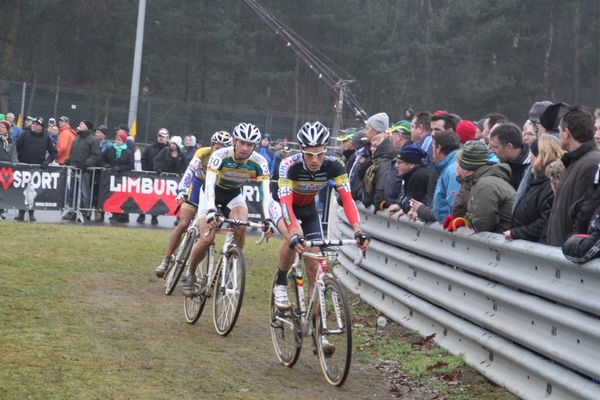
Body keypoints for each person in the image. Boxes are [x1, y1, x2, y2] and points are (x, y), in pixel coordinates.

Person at [269, 122, 370, 326]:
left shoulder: (336, 164)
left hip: (309, 210)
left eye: (320, 154)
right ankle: (280, 282)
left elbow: (348, 199)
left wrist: (358, 230)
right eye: (309, 155)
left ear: (326, 150)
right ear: (302, 151)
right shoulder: (289, 165)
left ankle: (316, 330)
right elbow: (286, 205)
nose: (315, 160)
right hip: (281, 206)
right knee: (293, 236)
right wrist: (294, 232)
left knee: (315, 268)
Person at [182, 123, 274, 296]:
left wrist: (267, 218)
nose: (245, 148)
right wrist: (210, 209)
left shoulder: (260, 162)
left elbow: (265, 192)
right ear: (234, 141)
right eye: (242, 143)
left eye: (250, 145)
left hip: (233, 195)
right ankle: (190, 273)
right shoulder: (219, 155)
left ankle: (229, 268)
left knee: (242, 227)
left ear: (255, 146)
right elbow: (209, 184)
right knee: (207, 238)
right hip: (211, 194)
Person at [155, 131, 233, 277]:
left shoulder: (229, 161)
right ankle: (166, 260)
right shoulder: (202, 153)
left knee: (206, 237)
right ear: (211, 146)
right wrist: (182, 190)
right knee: (184, 223)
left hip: (215, 192)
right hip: (197, 187)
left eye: (223, 149)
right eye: (217, 148)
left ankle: (193, 268)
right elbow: (190, 171)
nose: (219, 152)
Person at [546, 106, 600, 247]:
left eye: (559, 131)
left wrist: (572, 246)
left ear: (567, 133)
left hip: (570, 255)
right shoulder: (575, 161)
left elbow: (583, 215)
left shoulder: (591, 164)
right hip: (560, 252)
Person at [503, 135, 563, 243]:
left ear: (541, 156)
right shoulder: (536, 179)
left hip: (535, 246)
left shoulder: (549, 184)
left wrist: (516, 233)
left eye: (532, 153)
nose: (530, 157)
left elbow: (545, 222)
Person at [455, 141, 515, 234]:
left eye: (459, 163)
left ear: (466, 168)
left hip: (501, 242)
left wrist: (468, 222)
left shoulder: (484, 185)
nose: (456, 166)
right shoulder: (483, 181)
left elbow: (482, 223)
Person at [410, 130, 461, 223]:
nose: (431, 151)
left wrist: (422, 210)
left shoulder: (452, 172)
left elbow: (454, 209)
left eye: (432, 147)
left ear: (438, 149)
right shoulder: (445, 168)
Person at [15, 117, 57, 221]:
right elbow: (16, 148)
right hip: (23, 167)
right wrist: (17, 161)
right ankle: (21, 212)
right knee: (22, 190)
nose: (34, 125)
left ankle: (31, 212)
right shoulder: (24, 134)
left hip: (37, 169)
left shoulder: (46, 138)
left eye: (37, 124)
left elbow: (54, 152)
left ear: (41, 127)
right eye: (33, 123)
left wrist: (47, 162)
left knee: (33, 191)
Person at [63, 120, 102, 221]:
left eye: (83, 124)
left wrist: (86, 164)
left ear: (88, 127)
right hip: (74, 169)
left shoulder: (92, 140)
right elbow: (72, 152)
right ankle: (73, 211)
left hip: (85, 170)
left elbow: (96, 155)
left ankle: (83, 212)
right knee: (73, 191)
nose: (80, 125)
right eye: (80, 123)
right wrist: (68, 160)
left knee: (84, 193)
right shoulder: (77, 138)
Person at [386, 145, 431, 221]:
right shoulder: (410, 175)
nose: (396, 166)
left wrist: (404, 208)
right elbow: (408, 197)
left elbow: (414, 202)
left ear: (411, 165)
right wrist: (400, 205)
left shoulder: (419, 176)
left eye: (399, 163)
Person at [98, 132, 135, 223]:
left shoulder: (128, 152)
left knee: (117, 197)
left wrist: (119, 168)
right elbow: (101, 159)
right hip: (108, 177)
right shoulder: (109, 149)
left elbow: (130, 165)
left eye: (119, 139)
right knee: (105, 195)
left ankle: (115, 215)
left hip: (120, 179)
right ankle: (101, 214)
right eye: (116, 139)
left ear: (124, 141)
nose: (117, 141)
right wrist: (105, 165)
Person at [138, 128, 170, 224]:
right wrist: (145, 170)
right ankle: (141, 214)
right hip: (148, 176)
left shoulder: (169, 150)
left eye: (163, 137)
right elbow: (143, 159)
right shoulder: (150, 148)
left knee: (157, 198)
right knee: (145, 196)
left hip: (160, 178)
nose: (160, 138)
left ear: (167, 138)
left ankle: (154, 216)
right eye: (159, 136)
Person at [488, 123, 531, 191]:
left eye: (496, 147)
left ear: (509, 147)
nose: (492, 151)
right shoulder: (497, 165)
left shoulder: (531, 170)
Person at [0, 120, 18, 220]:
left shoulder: (11, 142)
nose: (0, 128)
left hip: (5, 170)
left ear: (7, 130)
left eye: (3, 127)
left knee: (3, 191)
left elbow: (13, 155)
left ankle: (1, 211)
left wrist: (16, 166)